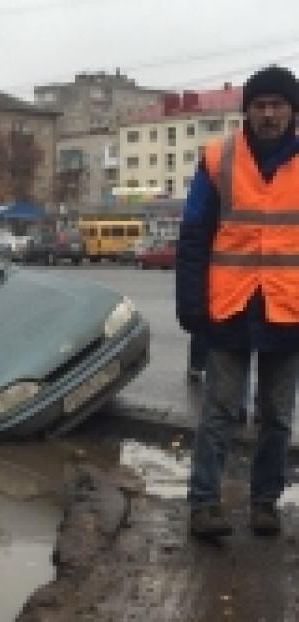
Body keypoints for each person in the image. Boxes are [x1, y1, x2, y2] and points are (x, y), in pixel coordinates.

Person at [177, 65, 299, 538]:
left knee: (277, 415)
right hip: (228, 305)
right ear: (247, 109)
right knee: (219, 412)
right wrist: (191, 303)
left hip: (288, 309)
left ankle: (264, 502)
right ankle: (204, 504)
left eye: (278, 105)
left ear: (292, 110)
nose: (269, 114)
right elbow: (193, 236)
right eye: (260, 105)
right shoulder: (218, 158)